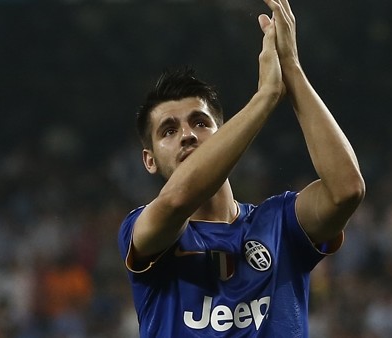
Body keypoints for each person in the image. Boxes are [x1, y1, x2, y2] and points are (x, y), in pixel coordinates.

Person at [118, 0, 365, 336]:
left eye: (200, 123)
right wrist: (264, 97)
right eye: (169, 130)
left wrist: (291, 68)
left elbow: (346, 190)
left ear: (226, 136)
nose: (188, 135)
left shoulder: (280, 223)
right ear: (149, 160)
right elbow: (177, 200)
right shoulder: (141, 227)